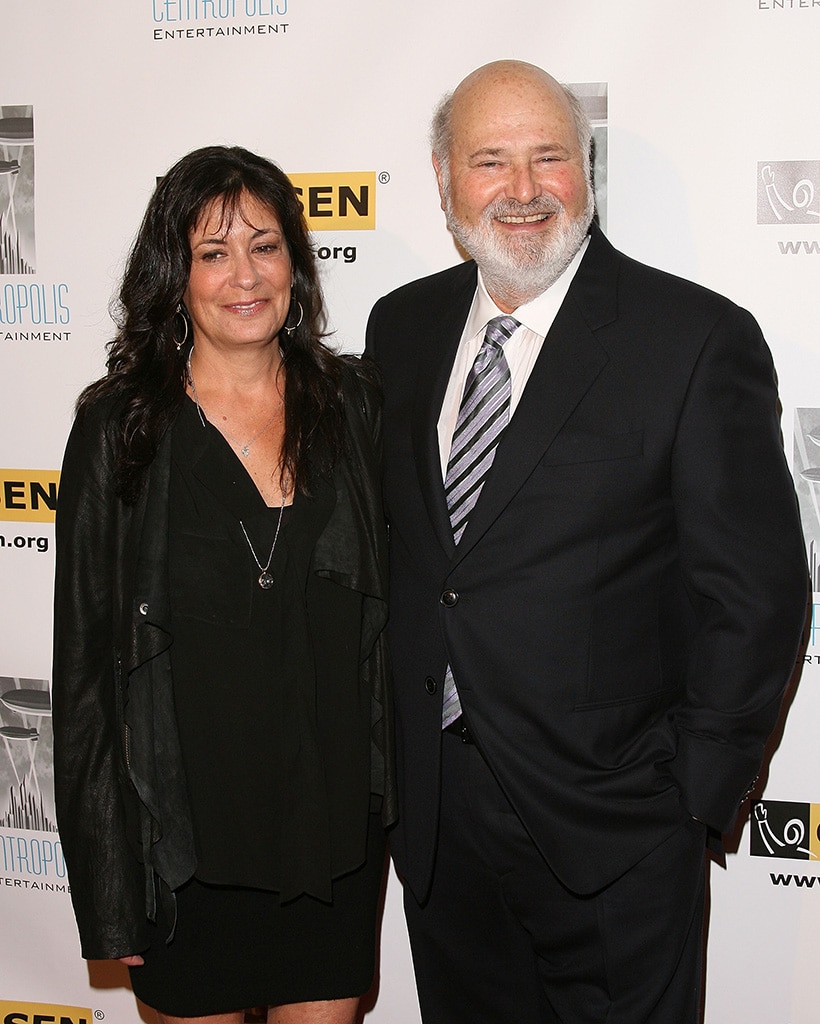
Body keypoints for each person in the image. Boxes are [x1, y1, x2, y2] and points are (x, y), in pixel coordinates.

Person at [365, 60, 808, 1024]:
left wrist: (691, 800)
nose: (523, 190)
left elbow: (759, 596)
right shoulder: (400, 328)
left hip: (618, 832)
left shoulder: (692, 338)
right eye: (490, 161)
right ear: (443, 180)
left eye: (549, 157)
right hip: (439, 826)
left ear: (586, 168)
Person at [52, 145, 395, 1024]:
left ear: (296, 265)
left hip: (332, 845)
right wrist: (108, 884)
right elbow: (85, 674)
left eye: (265, 246)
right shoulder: (120, 427)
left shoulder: (356, 406)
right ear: (176, 279)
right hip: (180, 853)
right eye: (213, 253)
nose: (245, 275)